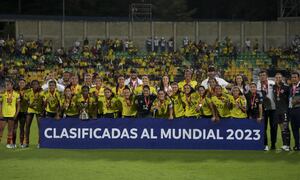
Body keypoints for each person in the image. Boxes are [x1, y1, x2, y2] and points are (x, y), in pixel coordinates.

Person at [257, 70, 277, 151]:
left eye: (264, 75)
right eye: (261, 75)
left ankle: (273, 144)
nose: (262, 76)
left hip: (273, 108)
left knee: (273, 127)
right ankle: (265, 144)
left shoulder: (272, 83)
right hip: (263, 109)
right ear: (259, 77)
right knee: (263, 127)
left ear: (267, 76)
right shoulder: (257, 85)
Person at [273, 73, 290, 151]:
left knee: (286, 127)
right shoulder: (274, 87)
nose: (278, 79)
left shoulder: (286, 87)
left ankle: (288, 145)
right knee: (282, 128)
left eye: (279, 77)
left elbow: (289, 99)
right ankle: (284, 145)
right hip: (277, 110)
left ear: (282, 78)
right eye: (276, 77)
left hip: (284, 110)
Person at [0, 79, 20, 148]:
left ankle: (8, 144)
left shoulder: (16, 94)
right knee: (1, 129)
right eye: (6, 85)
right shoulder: (2, 93)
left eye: (8, 85)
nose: (7, 86)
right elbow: (0, 104)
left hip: (12, 114)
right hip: (3, 114)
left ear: (12, 86)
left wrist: (16, 114)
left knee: (10, 130)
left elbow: (18, 106)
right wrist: (1, 113)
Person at [24, 80, 44, 148]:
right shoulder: (28, 91)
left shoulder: (42, 92)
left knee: (40, 127)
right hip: (30, 109)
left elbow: (44, 101)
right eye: (33, 84)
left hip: (38, 110)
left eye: (36, 84)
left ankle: (39, 143)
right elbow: (25, 100)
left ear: (38, 85)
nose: (35, 86)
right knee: (27, 126)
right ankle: (26, 142)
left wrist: (41, 109)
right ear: (31, 85)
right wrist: (29, 105)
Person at [12, 79, 28, 148]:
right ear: (18, 84)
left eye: (23, 83)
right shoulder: (15, 91)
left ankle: (21, 143)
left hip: (23, 111)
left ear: (25, 84)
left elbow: (28, 100)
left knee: (22, 128)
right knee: (14, 128)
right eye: (20, 83)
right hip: (15, 111)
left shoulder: (27, 91)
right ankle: (13, 143)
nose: (21, 84)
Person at [289, 72, 300, 151]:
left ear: (298, 78)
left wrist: (297, 101)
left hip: (299, 109)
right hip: (292, 110)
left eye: (295, 77)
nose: (293, 79)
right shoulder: (290, 87)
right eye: (292, 77)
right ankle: (297, 145)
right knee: (294, 128)